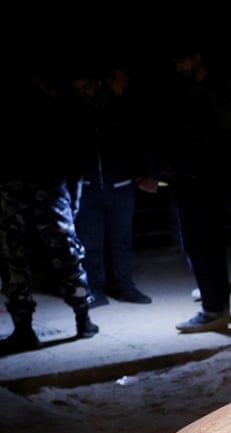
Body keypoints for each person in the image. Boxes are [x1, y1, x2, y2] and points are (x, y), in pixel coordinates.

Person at [0, 70, 97, 353]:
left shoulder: (54, 98)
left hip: (36, 184)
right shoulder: (57, 98)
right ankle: (80, 319)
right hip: (40, 185)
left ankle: (67, 321)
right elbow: (75, 150)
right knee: (58, 253)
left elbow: (75, 149)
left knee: (23, 257)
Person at [153, 49, 231, 333]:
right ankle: (215, 306)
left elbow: (212, 137)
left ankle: (214, 309)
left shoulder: (208, 93)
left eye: (182, 59)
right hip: (199, 178)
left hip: (199, 179)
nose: (178, 66)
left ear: (198, 58)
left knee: (202, 245)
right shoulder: (206, 90)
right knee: (204, 245)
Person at [71, 63, 153, 307]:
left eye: (86, 87)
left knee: (122, 240)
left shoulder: (119, 106)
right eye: (78, 89)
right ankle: (95, 289)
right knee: (91, 242)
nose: (82, 92)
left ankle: (125, 286)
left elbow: (138, 137)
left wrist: (141, 173)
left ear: (98, 84)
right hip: (88, 186)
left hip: (121, 184)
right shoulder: (75, 111)